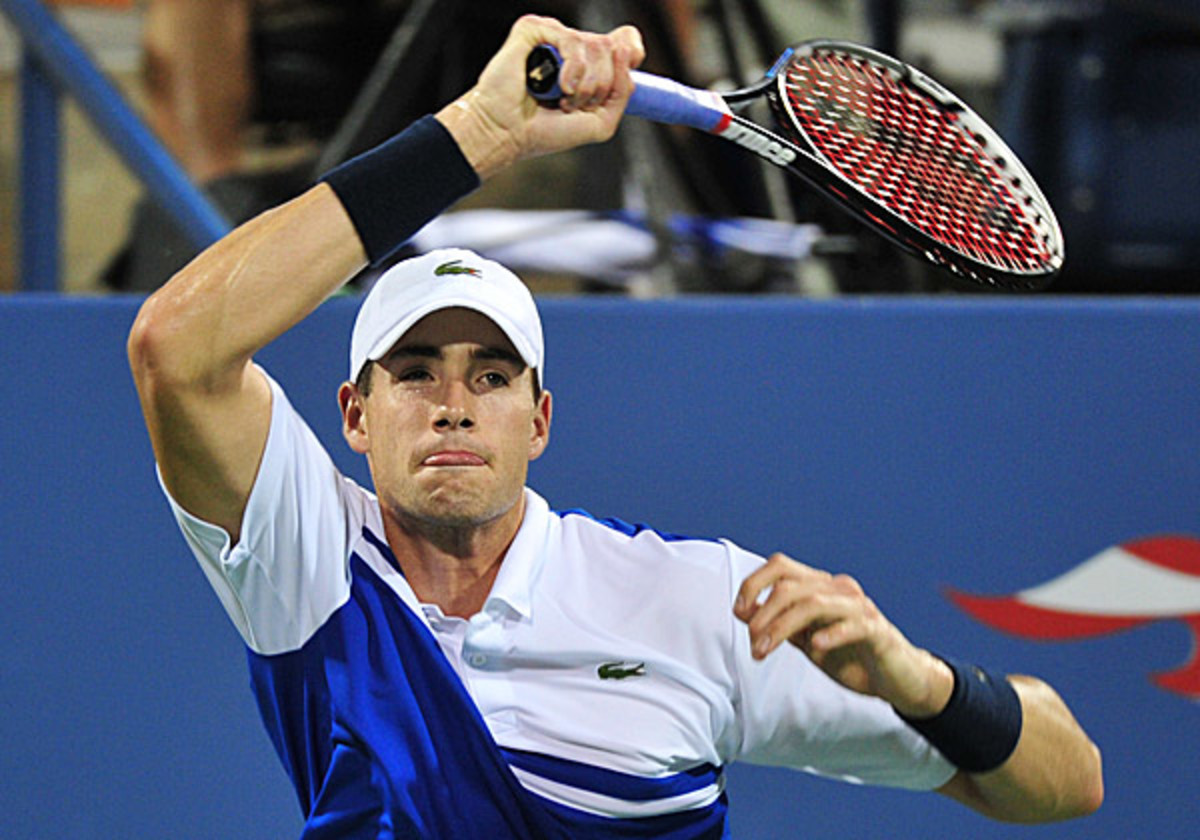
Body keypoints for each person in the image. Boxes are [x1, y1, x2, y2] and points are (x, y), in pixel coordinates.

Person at [127, 14, 1103, 838]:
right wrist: (482, 129)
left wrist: (920, 683)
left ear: (540, 419)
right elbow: (177, 346)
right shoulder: (307, 561)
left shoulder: (697, 605)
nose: (454, 401)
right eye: (415, 373)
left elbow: (1068, 780)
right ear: (354, 416)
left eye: (493, 375)